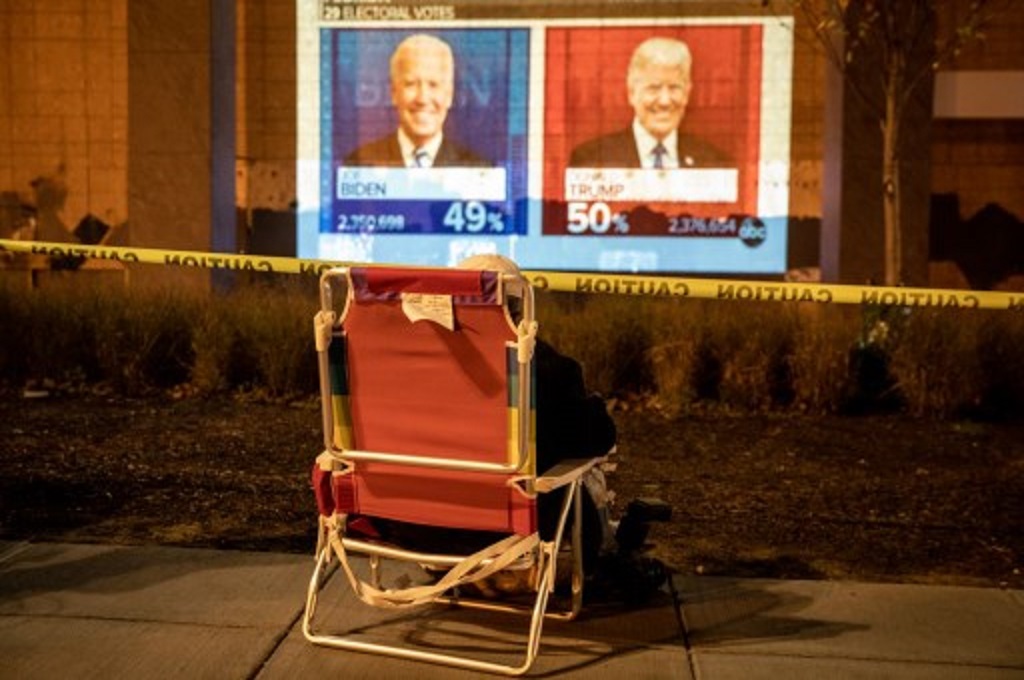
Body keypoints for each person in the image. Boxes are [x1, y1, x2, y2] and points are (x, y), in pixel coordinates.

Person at [365, 254, 670, 601]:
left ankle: (461, 572)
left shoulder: (399, 373)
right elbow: (598, 437)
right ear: (518, 311)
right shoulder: (544, 370)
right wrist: (593, 404)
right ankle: (596, 568)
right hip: (506, 532)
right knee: (577, 469)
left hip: (409, 525)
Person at [568, 37, 731, 169]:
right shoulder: (593, 160)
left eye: (674, 88)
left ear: (687, 93)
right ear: (632, 93)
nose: (665, 101)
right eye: (654, 88)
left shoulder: (713, 162)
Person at [344, 34, 491, 168]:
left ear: (449, 95)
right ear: (394, 92)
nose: (422, 98)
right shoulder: (358, 163)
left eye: (433, 85)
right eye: (411, 84)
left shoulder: (478, 168)